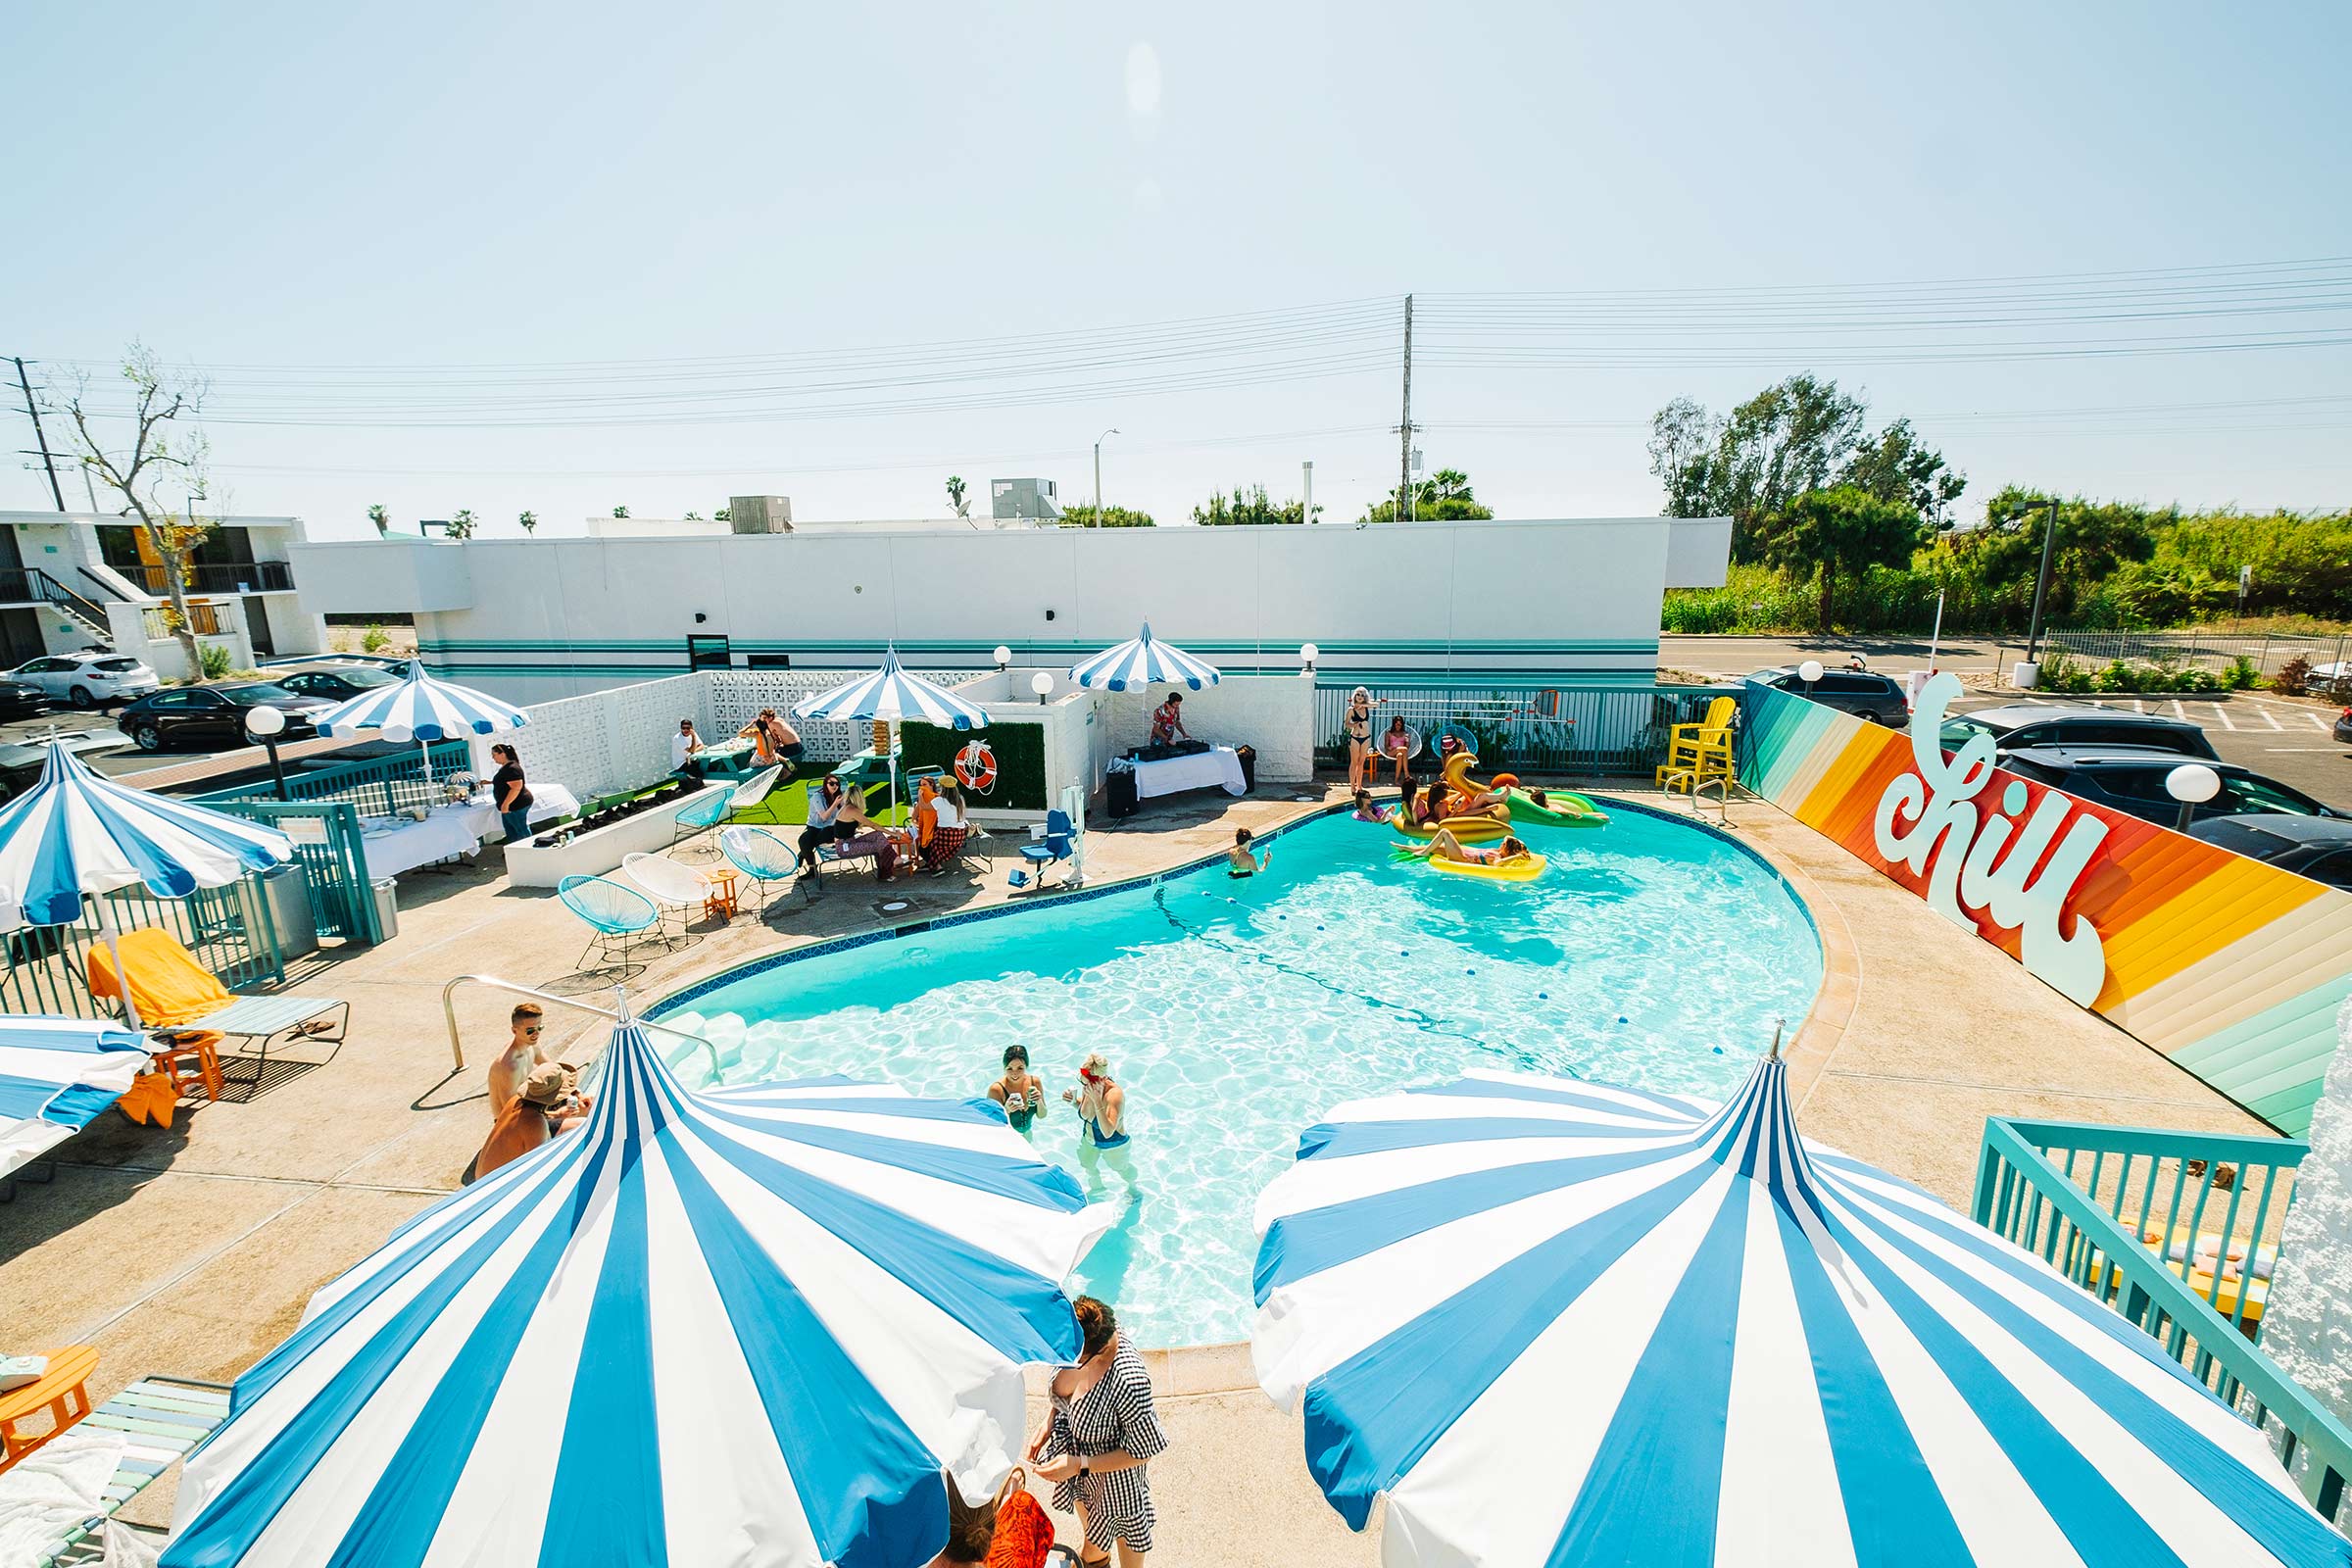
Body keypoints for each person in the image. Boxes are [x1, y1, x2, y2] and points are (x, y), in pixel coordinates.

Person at [1031, 1296, 1168, 1567]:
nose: (1066, 1361)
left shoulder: (1129, 1382)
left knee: (1102, 1550)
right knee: (1093, 1542)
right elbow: (1067, 1393)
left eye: (1073, 1359)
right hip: (1084, 1478)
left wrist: (1079, 1465)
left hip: (1116, 1486)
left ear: (1099, 1352)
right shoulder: (1085, 1338)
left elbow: (1143, 1452)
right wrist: (1050, 1418)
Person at [468, 1062, 587, 1183]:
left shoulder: (516, 1101)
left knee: (581, 1124)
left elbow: (523, 1123)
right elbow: (541, 1170)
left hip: (483, 1173)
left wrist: (558, 1115)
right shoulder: (535, 1125)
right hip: (497, 1184)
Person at [797, 774, 859, 879]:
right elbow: (824, 817)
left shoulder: (840, 796)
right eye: (831, 784)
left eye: (837, 784)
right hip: (815, 826)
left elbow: (845, 815)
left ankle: (803, 853)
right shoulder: (817, 797)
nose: (835, 786)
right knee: (803, 840)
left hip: (830, 828)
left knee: (809, 842)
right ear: (825, 785)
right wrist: (835, 803)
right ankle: (812, 870)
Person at [1061, 1054, 1129, 1149]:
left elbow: (1108, 1132)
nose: (1085, 1087)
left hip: (1113, 1146)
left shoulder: (1114, 1094)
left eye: (1087, 1084)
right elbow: (1088, 1113)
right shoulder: (1089, 1085)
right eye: (1082, 1083)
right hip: (1088, 1141)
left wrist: (1097, 1100)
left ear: (1100, 1079)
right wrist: (1073, 1101)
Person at [1396, 828, 1532, 867]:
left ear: (1507, 850)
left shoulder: (1497, 857)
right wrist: (1521, 848)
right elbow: (1511, 840)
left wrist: (1517, 856)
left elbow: (1499, 864)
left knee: (1445, 832)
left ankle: (1425, 852)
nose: (1501, 844)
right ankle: (1405, 848)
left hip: (1461, 858)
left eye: (1503, 844)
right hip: (1463, 851)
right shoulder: (1498, 851)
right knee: (1437, 847)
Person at [990, 1044, 1048, 1132]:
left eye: (1020, 1068)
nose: (1015, 1073)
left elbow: (1042, 1116)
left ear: (1026, 1066)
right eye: (1009, 1069)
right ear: (1004, 1068)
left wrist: (1039, 1101)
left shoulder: (1034, 1082)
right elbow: (990, 1124)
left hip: (1027, 1132)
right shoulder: (997, 1089)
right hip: (1005, 1136)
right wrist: (1006, 1110)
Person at [489, 743, 533, 845]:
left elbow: (516, 787)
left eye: (494, 755)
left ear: (502, 754)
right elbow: (505, 781)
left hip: (516, 805)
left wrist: (506, 804)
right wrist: (490, 782)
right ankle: (515, 852)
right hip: (509, 806)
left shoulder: (511, 768)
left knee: (520, 829)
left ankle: (529, 850)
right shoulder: (507, 767)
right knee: (511, 830)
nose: (493, 758)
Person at [924, 781, 970, 873]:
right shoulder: (960, 799)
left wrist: (920, 795)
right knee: (937, 841)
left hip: (946, 834)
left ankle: (936, 866)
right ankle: (935, 863)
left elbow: (923, 807)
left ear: (943, 788)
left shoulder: (939, 800)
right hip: (959, 835)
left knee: (930, 843)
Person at [1343, 687, 1382, 792]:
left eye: (1362, 695)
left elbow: (1376, 704)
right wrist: (1355, 724)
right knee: (1354, 762)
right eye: (1358, 694)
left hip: (1366, 738)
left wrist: (1362, 705)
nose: (1360, 697)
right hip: (1355, 737)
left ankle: (1359, 785)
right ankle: (1352, 786)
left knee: (1361, 762)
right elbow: (1346, 724)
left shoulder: (1366, 707)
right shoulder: (1351, 709)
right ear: (1355, 696)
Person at [1380, 713, 1413, 786]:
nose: (1398, 726)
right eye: (1397, 724)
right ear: (1394, 724)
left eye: (1400, 725)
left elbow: (1407, 746)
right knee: (1403, 749)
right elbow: (1386, 746)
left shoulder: (1405, 733)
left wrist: (1407, 740)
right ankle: (1407, 774)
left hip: (1401, 752)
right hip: (1391, 752)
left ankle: (1396, 780)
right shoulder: (1389, 733)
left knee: (1400, 755)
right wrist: (1389, 747)